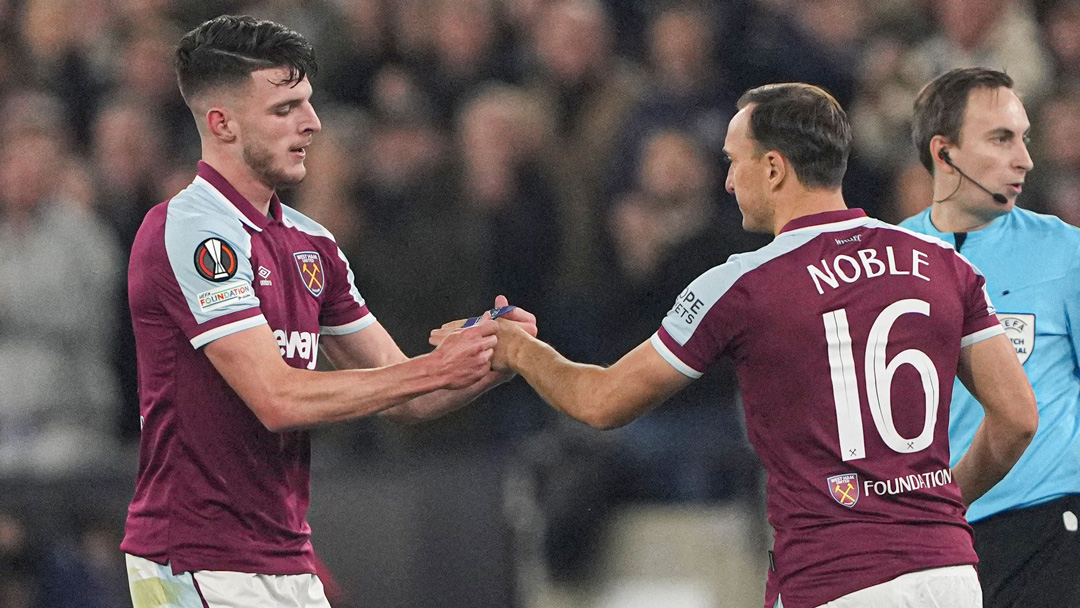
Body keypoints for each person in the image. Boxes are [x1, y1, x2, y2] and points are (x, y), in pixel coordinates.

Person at [440, 83, 1039, 608]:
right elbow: (1015, 419)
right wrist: (935, 501)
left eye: (735, 160)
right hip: (949, 574)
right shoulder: (941, 262)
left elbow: (603, 402)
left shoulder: (744, 283)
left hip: (835, 581)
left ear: (774, 168)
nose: (727, 179)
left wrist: (517, 348)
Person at [120, 15, 534, 608]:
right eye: (285, 109)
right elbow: (277, 398)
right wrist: (436, 367)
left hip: (286, 558)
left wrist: (498, 355)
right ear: (222, 123)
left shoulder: (313, 246)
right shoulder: (188, 229)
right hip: (197, 558)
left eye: (307, 104)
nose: (312, 124)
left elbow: (411, 399)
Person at [901, 67, 1080, 608]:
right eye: (1001, 138)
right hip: (931, 545)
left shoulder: (1066, 254)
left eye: (1023, 137)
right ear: (944, 152)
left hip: (1049, 532)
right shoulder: (886, 261)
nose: (1023, 157)